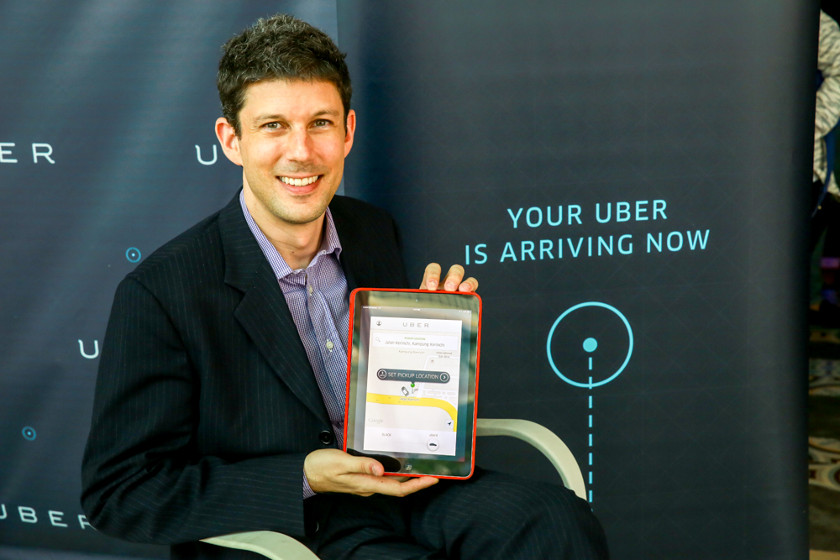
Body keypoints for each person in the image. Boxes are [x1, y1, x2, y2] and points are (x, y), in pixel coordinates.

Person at [80, 13, 608, 559]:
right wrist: (306, 475)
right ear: (231, 140)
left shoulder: (371, 230)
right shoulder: (163, 292)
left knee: (555, 521)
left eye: (321, 123)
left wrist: (437, 342)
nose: (302, 151)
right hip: (291, 527)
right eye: (274, 126)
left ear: (349, 131)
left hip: (407, 487)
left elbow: (400, 409)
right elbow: (120, 492)